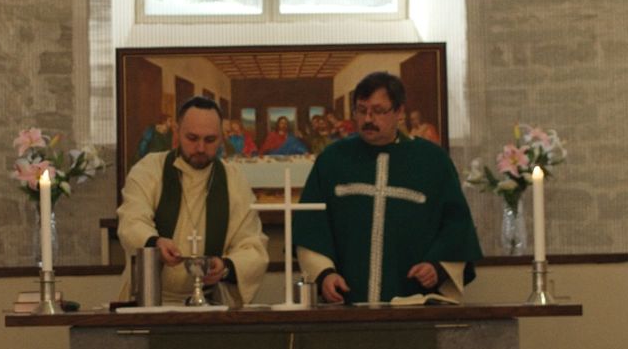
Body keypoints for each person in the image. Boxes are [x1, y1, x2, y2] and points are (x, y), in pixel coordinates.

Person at [295, 72, 482, 304]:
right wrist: (324, 273)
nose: (368, 119)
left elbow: (456, 225)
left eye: (378, 110)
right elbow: (310, 225)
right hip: (346, 302)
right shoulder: (332, 160)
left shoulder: (432, 161)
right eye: (361, 110)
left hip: (414, 302)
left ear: (400, 112)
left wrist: (438, 266)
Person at [117, 97, 269, 305]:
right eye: (192, 138)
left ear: (221, 138)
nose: (200, 148)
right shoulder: (149, 170)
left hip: (210, 303)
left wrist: (224, 266)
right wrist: (156, 244)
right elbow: (131, 220)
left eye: (210, 140)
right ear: (178, 132)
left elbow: (251, 244)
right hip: (150, 299)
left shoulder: (233, 179)